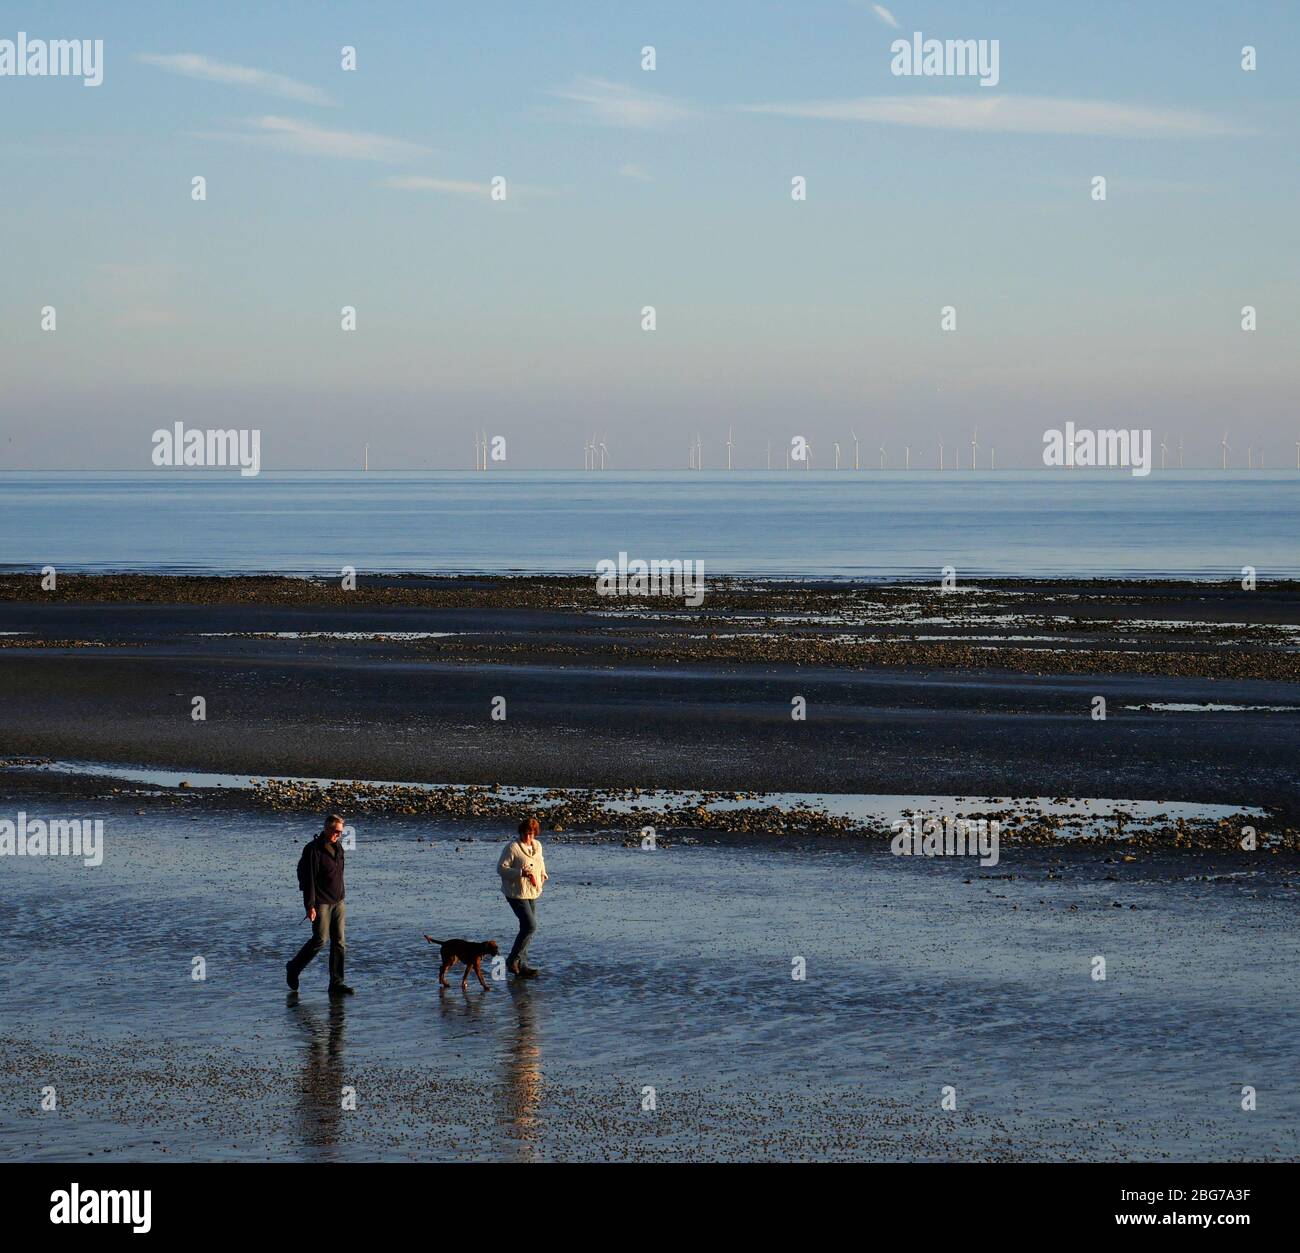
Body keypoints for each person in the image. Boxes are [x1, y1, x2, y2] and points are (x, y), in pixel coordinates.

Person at [286, 813, 354, 996]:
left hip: (339, 901)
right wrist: (310, 906)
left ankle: (337, 983)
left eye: (340, 832)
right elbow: (307, 880)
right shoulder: (313, 850)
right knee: (320, 940)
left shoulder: (338, 847)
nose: (338, 835)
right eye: (335, 831)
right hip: (321, 903)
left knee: (340, 942)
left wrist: (341, 896)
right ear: (326, 828)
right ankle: (293, 967)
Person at [498, 816, 548, 978]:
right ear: (520, 832)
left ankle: (522, 964)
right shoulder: (513, 848)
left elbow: (540, 862)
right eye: (526, 833)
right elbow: (501, 869)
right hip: (515, 893)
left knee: (527, 929)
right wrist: (520, 872)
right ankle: (512, 959)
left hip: (532, 890)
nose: (528, 837)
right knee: (530, 925)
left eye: (531, 834)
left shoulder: (538, 846)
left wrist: (543, 874)